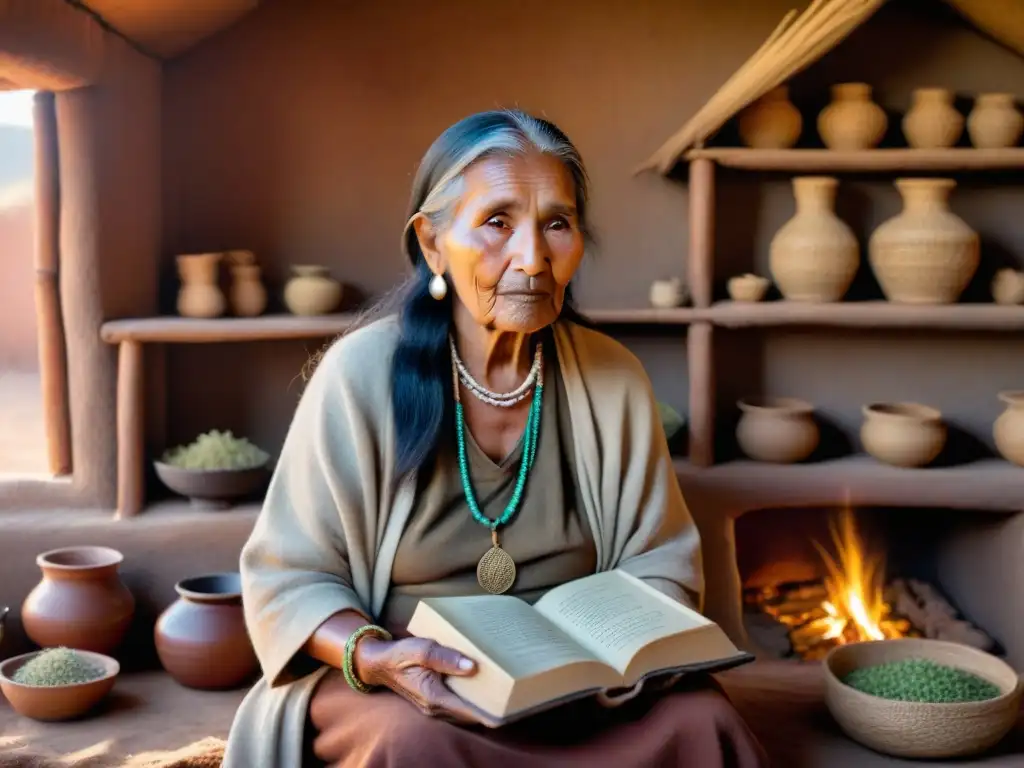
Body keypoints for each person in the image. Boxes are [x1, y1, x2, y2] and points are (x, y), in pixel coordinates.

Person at [222, 109, 767, 768]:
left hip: (583, 688)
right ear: (432, 243)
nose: (532, 258)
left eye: (557, 224)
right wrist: (376, 656)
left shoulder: (613, 378)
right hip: (412, 683)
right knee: (410, 745)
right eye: (497, 223)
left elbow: (663, 566)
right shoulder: (360, 374)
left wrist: (616, 660)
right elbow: (290, 578)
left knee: (704, 721)